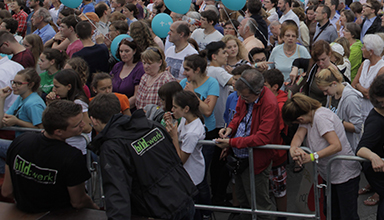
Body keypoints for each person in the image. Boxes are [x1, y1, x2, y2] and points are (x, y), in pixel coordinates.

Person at [89, 93, 196, 220]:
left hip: (158, 209)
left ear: (93, 120)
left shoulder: (112, 147)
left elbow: (117, 191)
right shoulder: (151, 126)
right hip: (182, 197)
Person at [1, 100, 97, 213]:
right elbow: (78, 201)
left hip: (23, 212)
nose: (83, 125)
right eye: (77, 125)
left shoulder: (20, 142)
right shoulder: (71, 156)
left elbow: (7, 191)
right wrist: (96, 209)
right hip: (57, 215)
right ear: (58, 132)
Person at [215, 69, 283, 217]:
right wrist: (230, 129)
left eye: (245, 96)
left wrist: (231, 143)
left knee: (260, 205)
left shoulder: (270, 104)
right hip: (240, 157)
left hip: (256, 161)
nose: (242, 99)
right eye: (241, 96)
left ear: (258, 91)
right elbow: (238, 115)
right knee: (243, 200)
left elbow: (263, 138)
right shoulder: (245, 96)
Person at [284, 93, 361, 220]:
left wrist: (312, 157)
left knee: (347, 215)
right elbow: (298, 135)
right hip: (330, 174)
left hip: (345, 175)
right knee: (331, 211)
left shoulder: (321, 118)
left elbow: (336, 145)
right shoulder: (308, 116)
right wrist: (294, 149)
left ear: (300, 118)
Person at [164, 90, 210, 218]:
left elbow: (180, 160)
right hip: (188, 173)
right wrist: (171, 123)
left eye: (175, 107)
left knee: (191, 211)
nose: (172, 109)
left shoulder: (192, 133)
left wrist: (173, 136)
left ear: (186, 109)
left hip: (191, 175)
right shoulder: (186, 120)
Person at [356, 89, 384, 219]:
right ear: (383, 102)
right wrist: (374, 157)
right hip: (381, 173)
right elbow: (361, 148)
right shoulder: (376, 122)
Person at [316, 66, 366, 155]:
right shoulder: (331, 95)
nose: (325, 94)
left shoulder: (350, 99)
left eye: (326, 90)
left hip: (349, 148)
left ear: (334, 83)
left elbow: (357, 127)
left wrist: (337, 122)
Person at [111, 38, 145, 105]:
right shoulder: (117, 66)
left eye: (127, 51)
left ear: (134, 51)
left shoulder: (140, 68)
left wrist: (123, 107)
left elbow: (136, 96)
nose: (123, 54)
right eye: (121, 51)